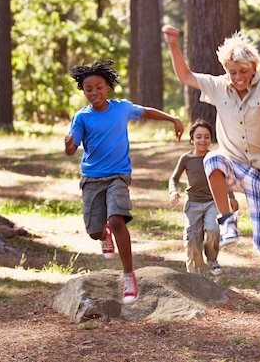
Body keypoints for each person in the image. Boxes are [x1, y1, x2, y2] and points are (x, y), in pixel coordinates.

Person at [162, 25, 260, 338]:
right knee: (212, 159)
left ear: (254, 68)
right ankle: (227, 219)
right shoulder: (218, 86)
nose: (238, 77)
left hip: (259, 173)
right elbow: (186, 77)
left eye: (243, 71)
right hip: (230, 164)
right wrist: (174, 45)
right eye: (232, 71)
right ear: (226, 70)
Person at [65, 59, 184, 304]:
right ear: (83, 92)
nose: (94, 92)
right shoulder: (81, 118)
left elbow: (147, 111)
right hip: (92, 179)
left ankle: (129, 274)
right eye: (89, 89)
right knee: (94, 231)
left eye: (99, 87)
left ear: (107, 86)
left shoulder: (121, 108)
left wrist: (173, 119)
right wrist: (68, 145)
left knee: (117, 219)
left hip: (118, 175)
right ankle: (103, 235)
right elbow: (71, 147)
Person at [169, 118, 239, 276]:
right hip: (193, 204)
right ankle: (193, 273)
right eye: (198, 137)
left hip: (212, 202)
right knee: (192, 238)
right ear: (192, 139)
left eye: (206, 137)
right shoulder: (186, 159)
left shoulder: (214, 158)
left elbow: (223, 180)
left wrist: (231, 197)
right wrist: (173, 191)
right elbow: (173, 178)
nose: (203, 140)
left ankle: (212, 259)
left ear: (211, 139)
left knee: (214, 230)